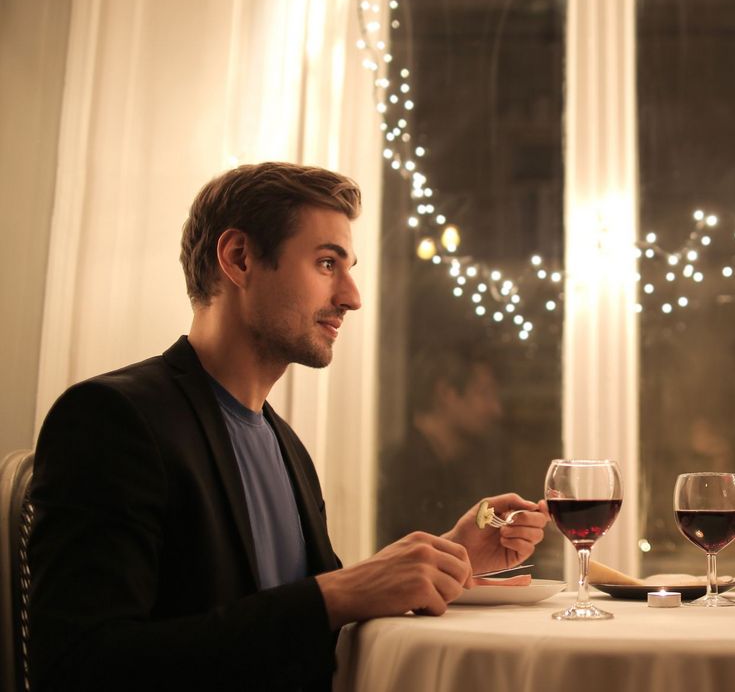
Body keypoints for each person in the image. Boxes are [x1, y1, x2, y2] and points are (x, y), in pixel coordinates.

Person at [28, 162, 549, 691]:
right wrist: (338, 592)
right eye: (327, 263)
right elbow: (81, 667)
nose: (352, 297)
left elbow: (304, 625)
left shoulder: (287, 447)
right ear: (239, 258)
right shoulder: (111, 419)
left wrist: (448, 557)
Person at [378, 346, 507, 541]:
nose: (496, 409)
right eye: (484, 393)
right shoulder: (406, 472)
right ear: (447, 393)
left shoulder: (458, 463)